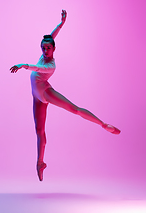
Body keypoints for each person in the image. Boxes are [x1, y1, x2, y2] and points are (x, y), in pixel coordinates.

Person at [10, 10, 120, 181]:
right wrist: (61, 24)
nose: (45, 50)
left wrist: (23, 65)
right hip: (36, 97)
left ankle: (103, 124)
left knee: (74, 109)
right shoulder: (45, 51)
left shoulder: (50, 65)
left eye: (48, 48)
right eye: (43, 48)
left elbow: (37, 68)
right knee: (39, 131)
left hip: (46, 93)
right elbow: (52, 36)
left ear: (54, 49)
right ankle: (40, 163)